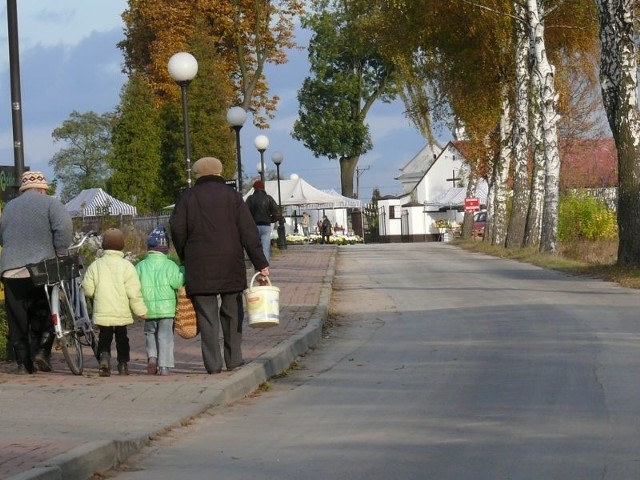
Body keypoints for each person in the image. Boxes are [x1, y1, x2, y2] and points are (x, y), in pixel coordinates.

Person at [170, 157, 269, 374]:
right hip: (230, 264)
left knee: (207, 317)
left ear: (197, 174)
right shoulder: (233, 197)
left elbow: (177, 228)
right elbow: (248, 232)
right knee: (233, 314)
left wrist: (185, 254)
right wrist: (260, 263)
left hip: (199, 266)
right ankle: (234, 359)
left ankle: (213, 364)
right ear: (219, 172)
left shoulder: (188, 198)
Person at [0, 171, 73, 374]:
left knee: (17, 320)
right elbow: (64, 228)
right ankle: (42, 351)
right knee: (46, 312)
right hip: (41, 268)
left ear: (23, 190)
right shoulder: (50, 204)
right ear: (42, 189)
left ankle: (24, 364)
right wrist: (60, 251)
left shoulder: (9, 208)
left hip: (11, 270)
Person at [82, 228, 147, 377]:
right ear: (122, 245)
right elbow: (133, 292)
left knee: (105, 336)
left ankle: (104, 359)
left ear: (103, 245)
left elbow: (88, 289)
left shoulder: (95, 265)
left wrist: (94, 295)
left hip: (103, 310)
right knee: (122, 337)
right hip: (121, 311)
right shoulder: (127, 266)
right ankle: (123, 364)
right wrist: (140, 311)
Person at [135, 226, 184, 376]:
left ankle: (152, 358)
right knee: (165, 336)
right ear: (166, 248)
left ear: (149, 247)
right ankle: (164, 367)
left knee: (150, 333)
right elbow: (177, 283)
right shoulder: (170, 265)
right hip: (167, 309)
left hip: (147, 308)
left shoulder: (140, 266)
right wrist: (183, 271)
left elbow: (134, 285)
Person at [245, 180, 281, 263]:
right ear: (263, 188)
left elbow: (245, 213)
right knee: (265, 249)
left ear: (254, 188)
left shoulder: (250, 199)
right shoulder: (268, 198)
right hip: (266, 226)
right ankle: (264, 270)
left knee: (256, 249)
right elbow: (277, 213)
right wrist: (271, 220)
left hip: (254, 226)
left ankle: (257, 269)